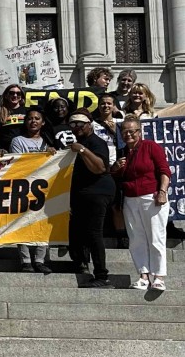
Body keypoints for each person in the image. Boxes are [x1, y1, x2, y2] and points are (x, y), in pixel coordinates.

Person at [112, 117, 172, 291]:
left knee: (156, 236)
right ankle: (144, 275)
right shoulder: (123, 152)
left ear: (140, 131)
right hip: (131, 199)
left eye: (132, 131)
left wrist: (162, 191)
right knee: (136, 238)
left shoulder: (150, 146)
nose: (128, 134)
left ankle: (159, 276)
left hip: (151, 197)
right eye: (124, 131)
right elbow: (117, 178)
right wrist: (115, 168)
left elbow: (164, 170)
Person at [67, 110, 115, 288]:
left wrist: (82, 150)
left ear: (90, 124)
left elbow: (100, 168)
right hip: (82, 194)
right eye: (72, 124)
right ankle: (81, 264)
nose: (76, 127)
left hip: (98, 192)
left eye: (80, 123)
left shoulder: (96, 143)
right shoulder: (78, 143)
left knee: (94, 233)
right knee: (77, 230)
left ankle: (102, 275)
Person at [9, 109, 55, 274]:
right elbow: (20, 163)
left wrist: (51, 154)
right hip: (24, 188)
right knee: (22, 223)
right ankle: (26, 260)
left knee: (42, 225)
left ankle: (40, 260)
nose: (33, 121)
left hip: (44, 189)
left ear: (43, 122)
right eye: (30, 118)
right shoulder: (17, 140)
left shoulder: (49, 142)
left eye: (37, 118)